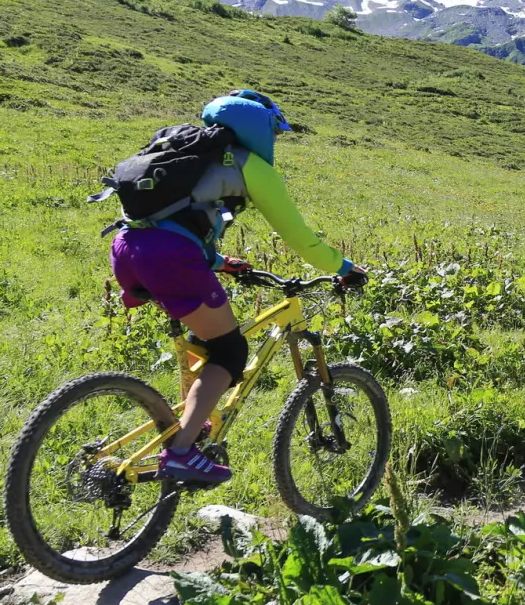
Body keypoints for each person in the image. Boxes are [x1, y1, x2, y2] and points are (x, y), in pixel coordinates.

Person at [109, 89, 368, 484]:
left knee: (209, 339)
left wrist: (217, 261)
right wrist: (345, 267)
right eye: (275, 134)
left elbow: (169, 217)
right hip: (169, 256)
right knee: (232, 350)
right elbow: (300, 240)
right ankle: (180, 452)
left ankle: (193, 425)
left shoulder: (186, 151)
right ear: (259, 129)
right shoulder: (250, 166)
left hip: (128, 248)